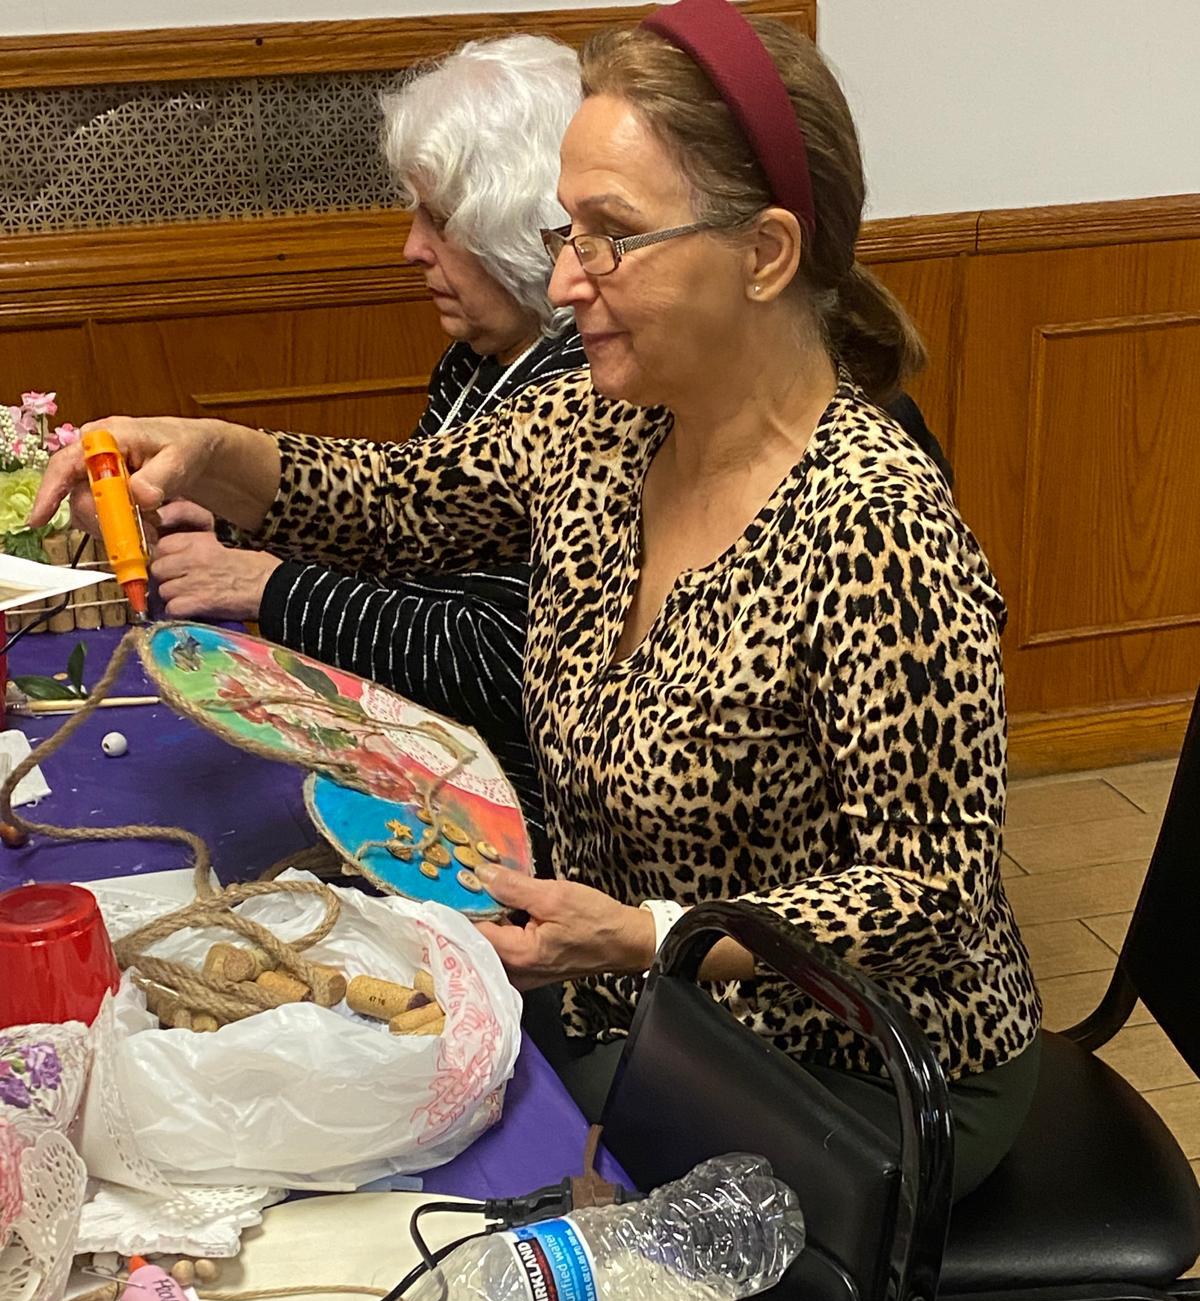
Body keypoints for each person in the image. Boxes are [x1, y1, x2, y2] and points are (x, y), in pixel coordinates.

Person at [36, 0, 1040, 1202]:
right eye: (569, 231)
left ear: (766, 254)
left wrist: (646, 932)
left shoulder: (877, 526)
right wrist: (211, 451)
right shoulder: (607, 423)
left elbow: (927, 898)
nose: (565, 278)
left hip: (855, 1069)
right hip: (645, 1001)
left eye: (612, 237)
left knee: (448, 1180)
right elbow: (401, 502)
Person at [149, 34, 589, 856]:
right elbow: (399, 527)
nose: (412, 247)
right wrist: (233, 518)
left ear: (519, 225)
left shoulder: (586, 385)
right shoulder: (477, 361)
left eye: (441, 220)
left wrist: (269, 586)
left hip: (521, 826)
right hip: (426, 763)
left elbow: (503, 658)